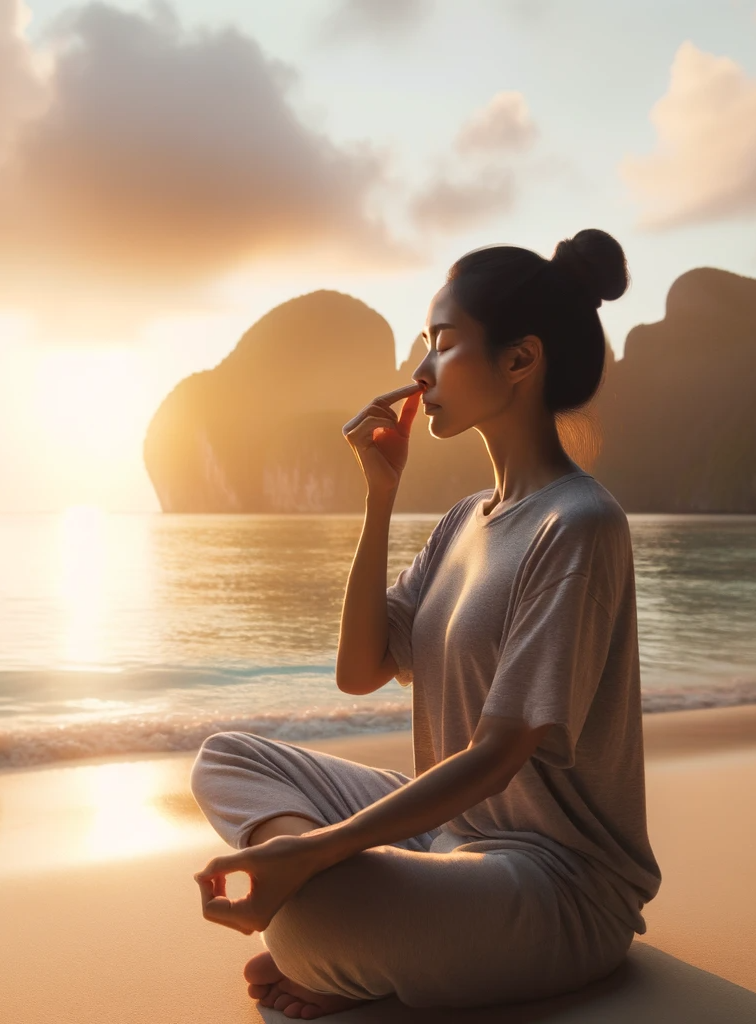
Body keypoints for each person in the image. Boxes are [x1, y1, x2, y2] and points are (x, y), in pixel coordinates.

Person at [190, 229, 662, 1019]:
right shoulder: (462, 523)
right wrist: (379, 496)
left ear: (520, 360)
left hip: (560, 888)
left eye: (443, 344)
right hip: (453, 842)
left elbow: (498, 754)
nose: (420, 371)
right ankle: (343, 918)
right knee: (225, 758)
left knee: (316, 915)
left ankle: (336, 927)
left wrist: (309, 855)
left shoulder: (579, 524)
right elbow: (360, 670)